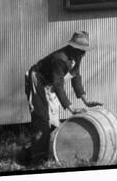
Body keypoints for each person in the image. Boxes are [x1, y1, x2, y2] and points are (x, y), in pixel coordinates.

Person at [17, 30, 102, 166]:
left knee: (54, 123)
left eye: (84, 50)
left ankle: (31, 153)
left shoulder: (76, 57)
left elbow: (76, 77)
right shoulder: (60, 59)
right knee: (42, 120)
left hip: (49, 85)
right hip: (37, 80)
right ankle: (37, 160)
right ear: (73, 47)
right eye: (81, 50)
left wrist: (85, 100)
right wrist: (71, 108)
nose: (83, 53)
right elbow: (58, 85)